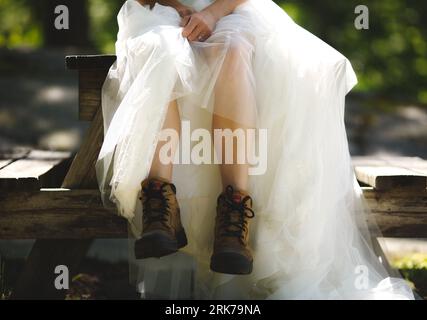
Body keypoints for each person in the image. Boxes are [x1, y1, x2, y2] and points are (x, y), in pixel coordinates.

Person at [95, 0, 415, 299]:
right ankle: (159, 204)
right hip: (157, 11)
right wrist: (177, 7)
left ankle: (234, 214)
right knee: (160, 51)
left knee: (233, 49)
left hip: (233, 9)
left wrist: (211, 14)